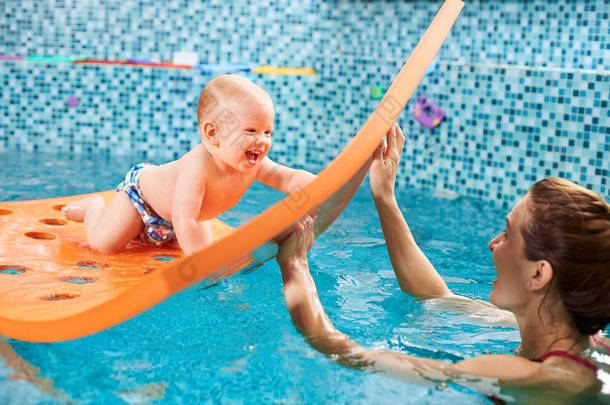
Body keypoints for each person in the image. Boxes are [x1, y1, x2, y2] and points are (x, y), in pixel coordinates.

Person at [276, 124, 609, 402]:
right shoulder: (574, 333)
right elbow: (437, 297)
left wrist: (295, 264)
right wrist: (384, 197)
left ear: (539, 274)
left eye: (507, 234)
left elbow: (348, 354)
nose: (493, 244)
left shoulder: (536, 375)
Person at [62, 74, 315, 255]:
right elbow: (185, 219)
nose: (261, 141)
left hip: (183, 218)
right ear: (212, 134)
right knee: (104, 244)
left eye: (268, 132)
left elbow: (287, 177)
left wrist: (323, 184)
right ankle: (93, 208)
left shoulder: (253, 162)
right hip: (142, 201)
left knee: (197, 246)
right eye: (250, 130)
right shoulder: (197, 166)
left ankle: (166, 238)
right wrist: (199, 262)